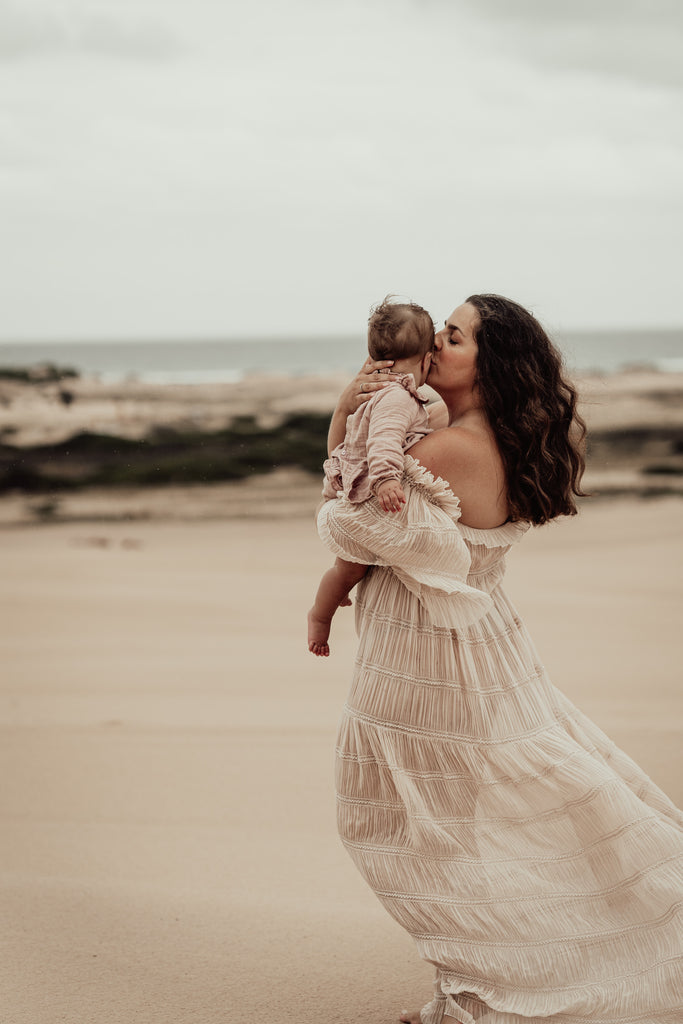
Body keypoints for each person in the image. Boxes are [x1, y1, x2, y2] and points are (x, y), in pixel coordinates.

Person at [317, 294, 683, 1024]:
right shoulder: (497, 440)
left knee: (406, 827)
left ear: (490, 365)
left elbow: (348, 518)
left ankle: (486, 989)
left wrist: (343, 412)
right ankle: (477, 982)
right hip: (484, 645)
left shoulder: (446, 449)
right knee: (467, 821)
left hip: (425, 658)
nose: (432, 347)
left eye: (451, 337)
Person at [308, 297, 435, 657]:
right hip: (366, 495)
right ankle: (319, 618)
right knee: (346, 570)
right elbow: (383, 442)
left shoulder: (378, 392)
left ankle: (334, 598)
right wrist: (386, 480)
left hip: (358, 485)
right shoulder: (397, 399)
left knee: (351, 570)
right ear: (426, 360)